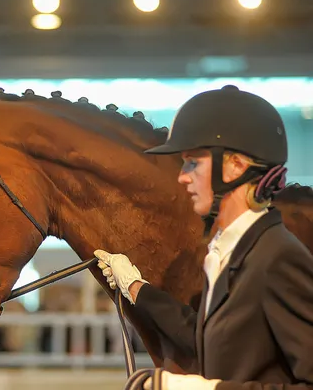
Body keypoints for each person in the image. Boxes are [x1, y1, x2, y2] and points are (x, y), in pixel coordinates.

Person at [94, 85, 313, 390]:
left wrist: (196, 388)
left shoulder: (279, 256)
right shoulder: (229, 253)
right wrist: (134, 286)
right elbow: (200, 335)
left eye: (193, 162)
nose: (183, 176)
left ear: (236, 166)